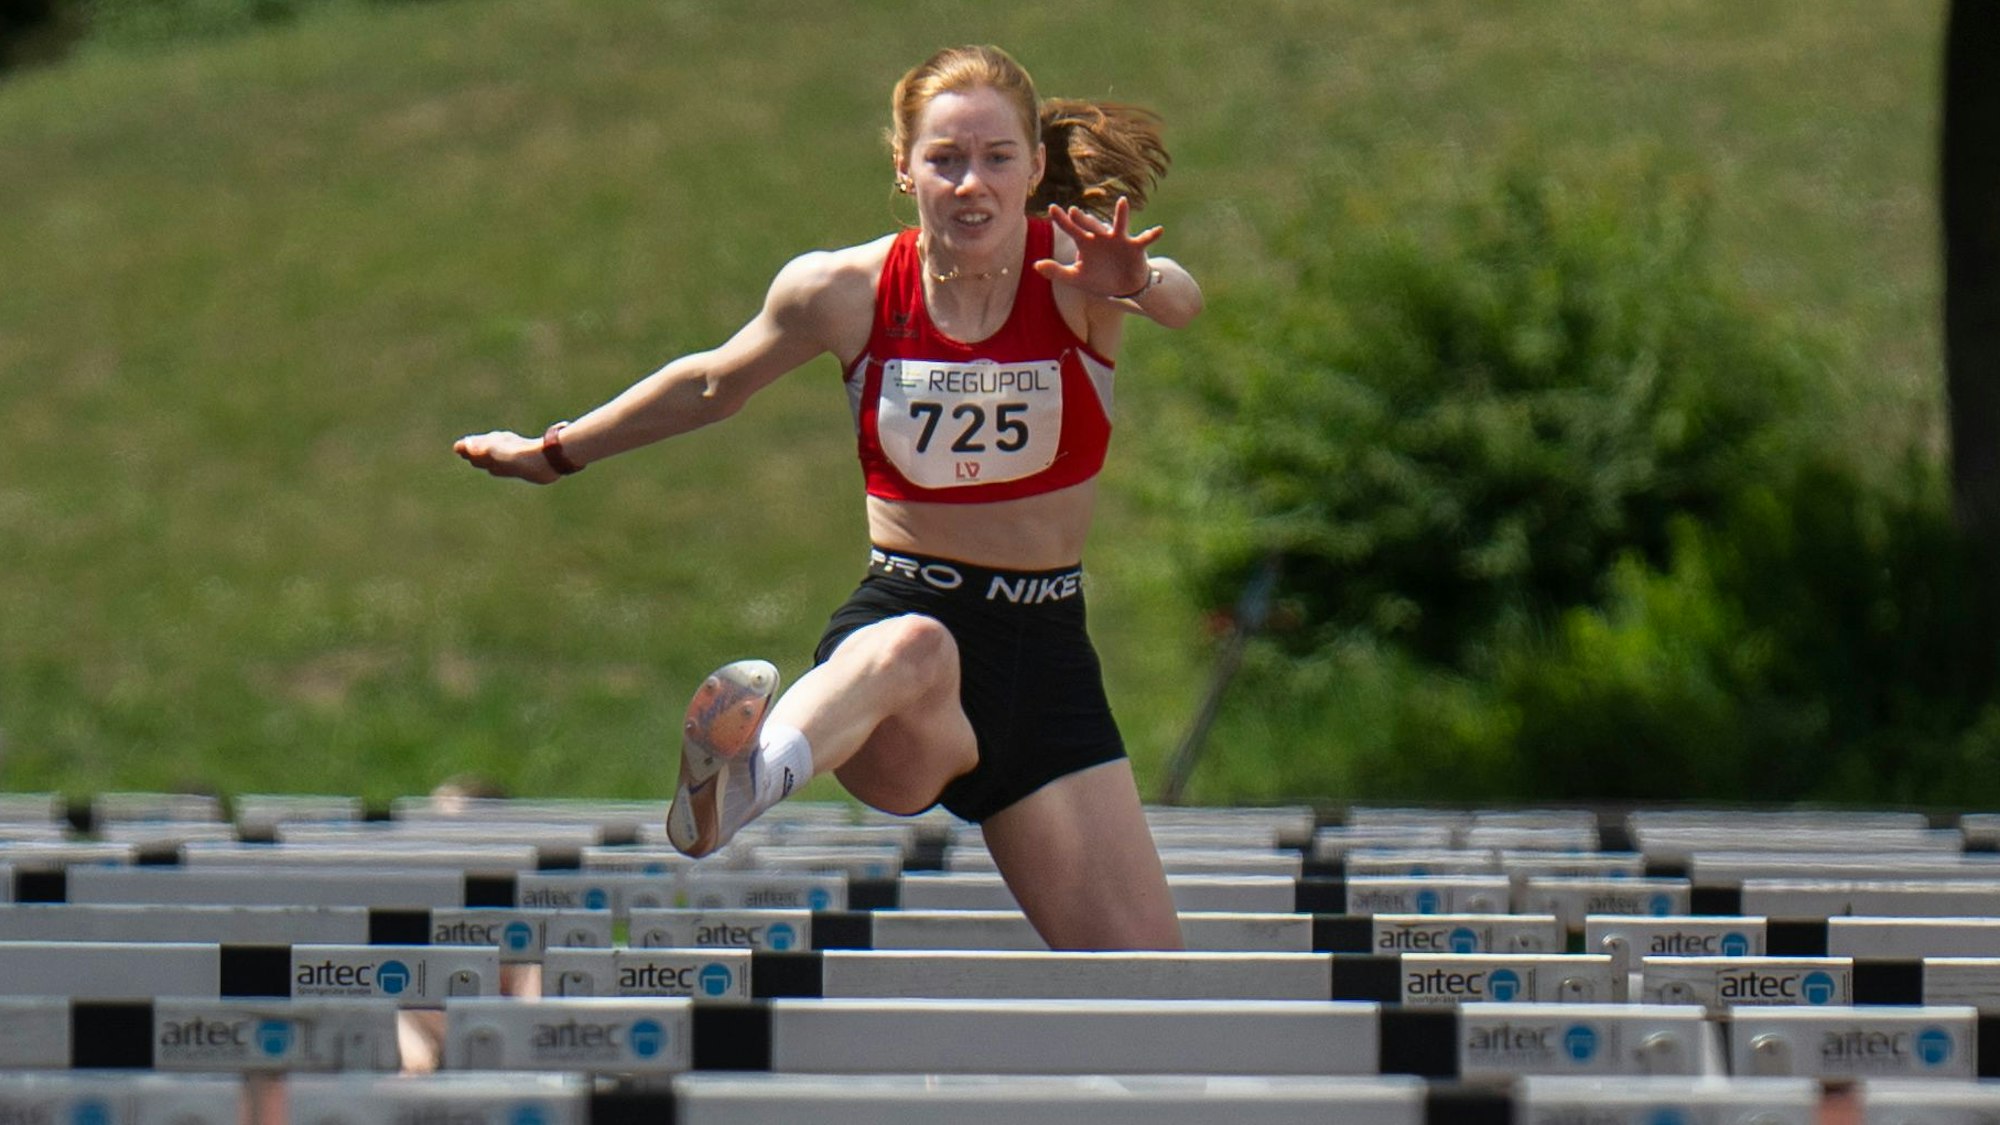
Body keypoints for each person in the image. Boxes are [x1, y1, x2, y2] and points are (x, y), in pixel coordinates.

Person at [455, 44, 1201, 950]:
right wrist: (556, 450)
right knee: (918, 643)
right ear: (903, 166)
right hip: (904, 649)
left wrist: (1141, 281)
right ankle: (746, 781)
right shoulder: (843, 291)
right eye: (945, 160)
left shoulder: (1079, 277)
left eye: (997, 159)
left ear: (1035, 167)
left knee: (1156, 984)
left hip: (1048, 658)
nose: (972, 185)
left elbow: (1180, 300)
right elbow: (710, 385)